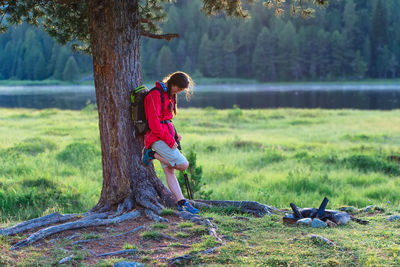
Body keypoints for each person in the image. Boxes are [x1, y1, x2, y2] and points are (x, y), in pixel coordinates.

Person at [141, 71, 199, 214]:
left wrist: (174, 134)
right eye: (178, 89)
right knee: (183, 164)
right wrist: (169, 140)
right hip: (156, 138)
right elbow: (154, 124)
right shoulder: (155, 95)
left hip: (166, 136)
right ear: (172, 83)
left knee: (170, 171)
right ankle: (151, 154)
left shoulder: (168, 94)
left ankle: (181, 203)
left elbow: (166, 119)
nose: (178, 92)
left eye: (181, 90)